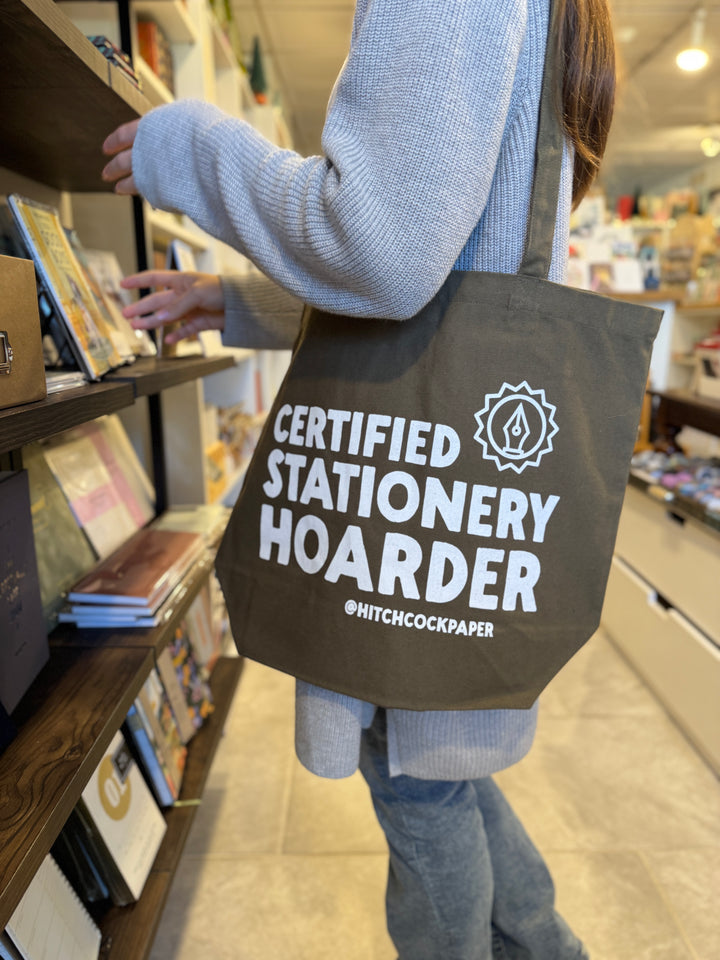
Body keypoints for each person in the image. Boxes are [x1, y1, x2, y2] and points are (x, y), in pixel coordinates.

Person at [102, 1, 615, 956]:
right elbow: (453, 246)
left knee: (417, 778)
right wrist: (237, 298)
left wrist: (193, 145)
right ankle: (546, 944)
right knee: (435, 760)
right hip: (456, 468)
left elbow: (378, 246)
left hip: (417, 483)